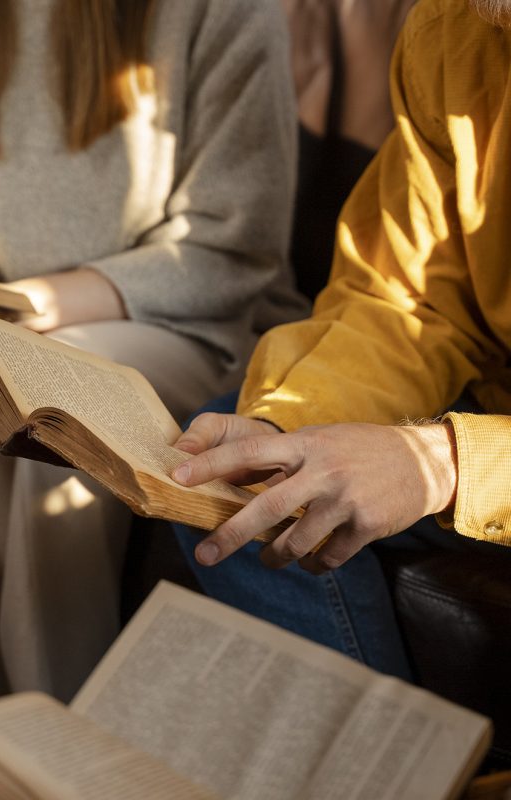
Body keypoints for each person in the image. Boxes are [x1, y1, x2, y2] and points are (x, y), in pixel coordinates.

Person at [0, 0, 306, 740]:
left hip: (178, 318)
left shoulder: (219, 10)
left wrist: (27, 308)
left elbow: (229, 248)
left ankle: (58, 754)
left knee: (54, 434)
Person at [172, 0, 511, 679]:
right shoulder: (457, 28)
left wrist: (441, 465)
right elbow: (407, 299)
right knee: (236, 487)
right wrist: (286, 422)